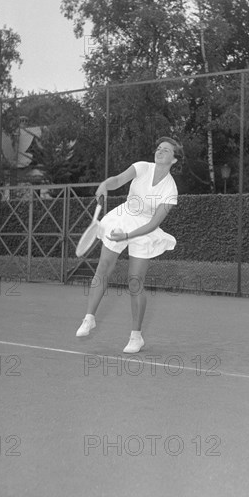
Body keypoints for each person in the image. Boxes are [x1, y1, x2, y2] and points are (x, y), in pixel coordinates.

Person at [75, 136, 183, 353]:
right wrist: (106, 184)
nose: (159, 152)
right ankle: (89, 318)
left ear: (174, 160)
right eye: (158, 148)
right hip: (124, 215)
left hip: (144, 229)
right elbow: (117, 180)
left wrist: (127, 236)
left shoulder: (170, 190)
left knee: (134, 282)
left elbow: (153, 224)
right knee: (104, 265)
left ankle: (136, 336)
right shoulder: (142, 167)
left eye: (166, 151)